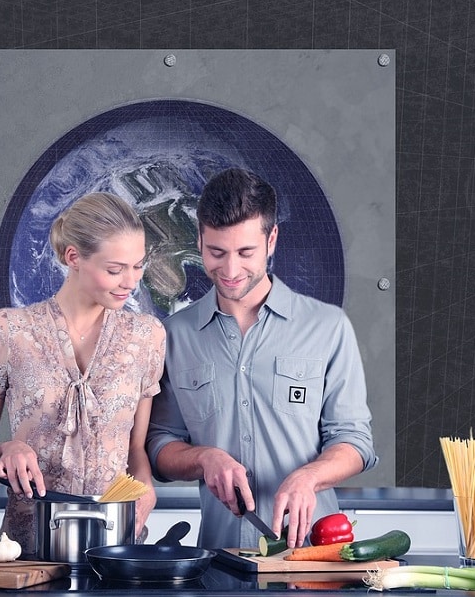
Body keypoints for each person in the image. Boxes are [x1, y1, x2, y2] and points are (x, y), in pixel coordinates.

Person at [146, 168, 377, 550]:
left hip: (315, 563)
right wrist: (204, 458)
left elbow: (354, 440)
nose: (231, 270)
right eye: (216, 252)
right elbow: (159, 444)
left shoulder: (328, 327)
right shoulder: (173, 336)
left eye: (246, 252)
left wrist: (311, 476)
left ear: (272, 240)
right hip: (219, 562)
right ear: (199, 240)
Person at [0, 192, 166, 555]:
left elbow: (135, 448)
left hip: (116, 546)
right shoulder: (10, 330)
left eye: (138, 265)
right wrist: (7, 448)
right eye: (115, 269)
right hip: (27, 548)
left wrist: (146, 485)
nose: (131, 281)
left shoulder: (147, 336)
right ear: (73, 257)